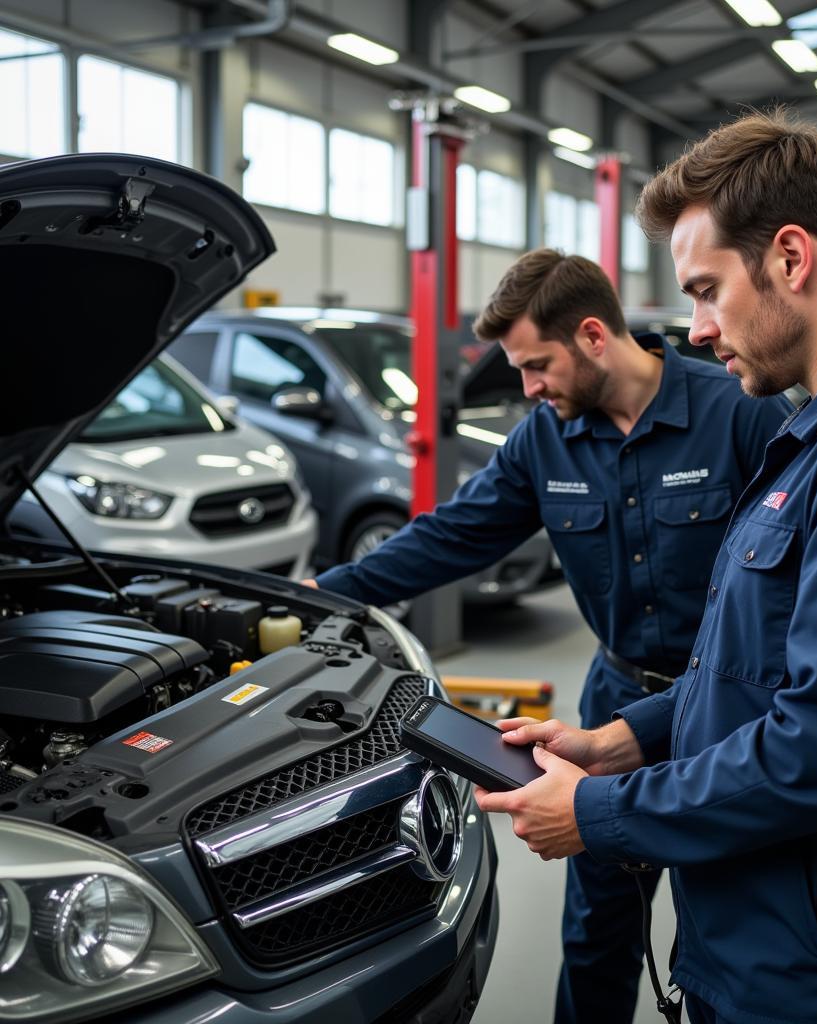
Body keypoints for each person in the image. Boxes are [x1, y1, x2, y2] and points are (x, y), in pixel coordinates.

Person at [474, 110, 817, 1024]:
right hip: (787, 948)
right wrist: (632, 738)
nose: (692, 330)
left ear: (792, 258)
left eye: (705, 289)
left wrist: (601, 815)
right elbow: (764, 670)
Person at [305, 248, 790, 1023]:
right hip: (611, 707)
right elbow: (453, 535)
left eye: (536, 365)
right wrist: (324, 594)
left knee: (731, 926)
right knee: (599, 930)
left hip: (729, 714)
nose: (528, 388)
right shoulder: (545, 440)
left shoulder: (739, 411)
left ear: (593, 335)